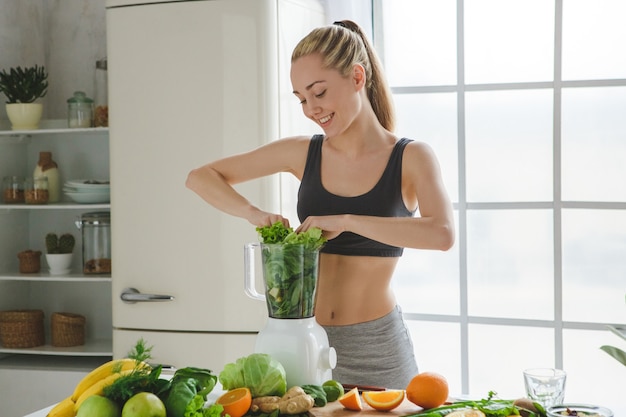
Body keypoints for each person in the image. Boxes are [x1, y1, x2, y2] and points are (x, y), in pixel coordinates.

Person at [186, 20, 454, 389]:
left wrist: (348, 220)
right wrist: (255, 214)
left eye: (319, 92)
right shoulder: (302, 152)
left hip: (378, 347)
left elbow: (441, 234)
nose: (311, 108)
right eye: (301, 98)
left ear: (357, 77)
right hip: (305, 342)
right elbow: (200, 176)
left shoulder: (411, 156)